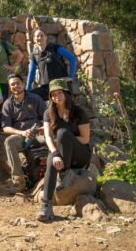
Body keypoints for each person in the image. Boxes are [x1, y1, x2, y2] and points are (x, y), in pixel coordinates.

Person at [38, 79, 91, 222]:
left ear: (66, 93)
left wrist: (66, 140)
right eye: (53, 94)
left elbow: (85, 139)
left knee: (62, 133)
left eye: (59, 93)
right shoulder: (48, 113)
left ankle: (64, 173)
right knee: (51, 159)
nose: (57, 97)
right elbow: (48, 136)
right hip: (61, 153)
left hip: (80, 155)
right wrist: (55, 153)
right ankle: (46, 206)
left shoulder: (79, 112)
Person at [1, 73, 47, 191]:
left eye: (18, 83)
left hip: (38, 133)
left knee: (54, 138)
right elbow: (6, 127)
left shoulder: (35, 98)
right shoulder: (7, 104)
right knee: (9, 141)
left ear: (23, 84)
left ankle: (61, 172)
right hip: (21, 135)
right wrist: (21, 133)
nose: (16, 86)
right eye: (13, 84)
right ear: (10, 87)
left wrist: (43, 128)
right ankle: (19, 180)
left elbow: (47, 118)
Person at [26, 28, 77, 101]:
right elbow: (31, 73)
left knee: (66, 109)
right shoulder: (34, 55)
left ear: (46, 37)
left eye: (42, 35)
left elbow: (72, 58)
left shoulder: (55, 48)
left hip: (61, 84)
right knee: (30, 97)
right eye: (37, 36)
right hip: (47, 87)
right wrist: (27, 91)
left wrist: (70, 76)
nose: (39, 38)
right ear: (34, 39)